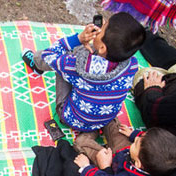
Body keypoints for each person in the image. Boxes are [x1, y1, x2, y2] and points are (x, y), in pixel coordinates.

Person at [21, 12, 145, 144]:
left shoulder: (77, 65)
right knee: (79, 59)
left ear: (102, 48)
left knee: (64, 55)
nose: (100, 27)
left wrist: (78, 39)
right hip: (105, 119)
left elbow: (48, 55)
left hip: (72, 118)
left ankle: (37, 66)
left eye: (103, 28)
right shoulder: (132, 65)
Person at [73, 125, 176, 176]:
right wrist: (133, 134)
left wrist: (87, 168)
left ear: (137, 164)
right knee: (114, 124)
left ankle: (92, 130)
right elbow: (146, 140)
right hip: (124, 152)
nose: (136, 139)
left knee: (81, 142)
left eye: (136, 143)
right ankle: (98, 123)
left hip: (111, 165)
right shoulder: (148, 159)